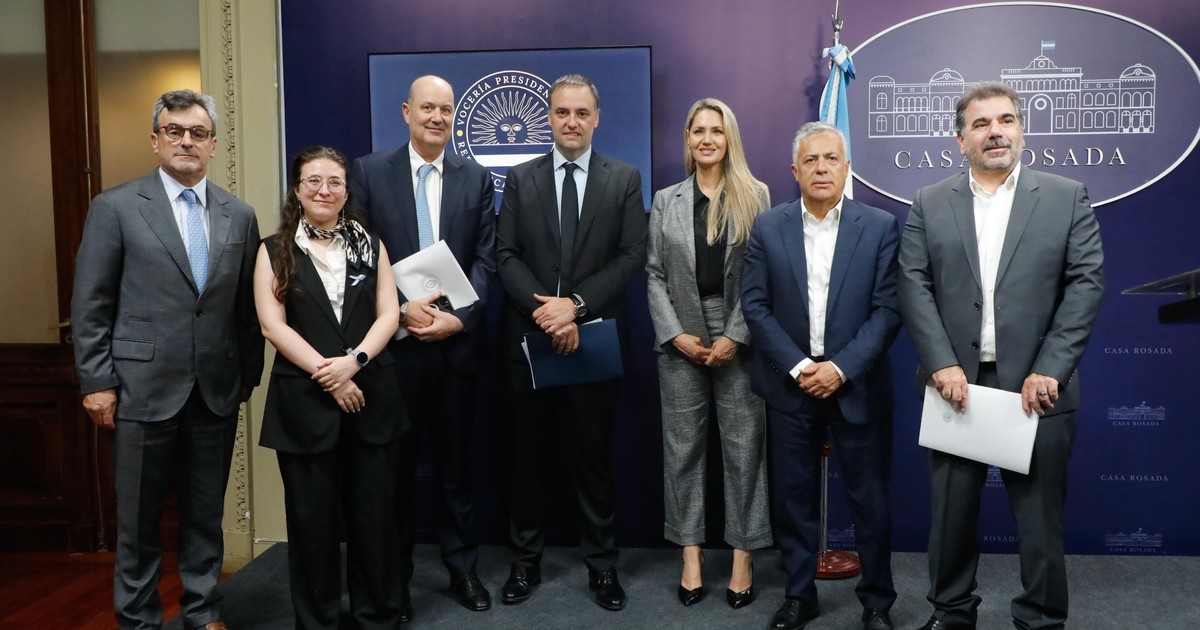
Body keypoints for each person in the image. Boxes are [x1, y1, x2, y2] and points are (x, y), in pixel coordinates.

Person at [898, 81, 1104, 630]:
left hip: (1038, 388)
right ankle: (951, 612)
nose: (996, 132)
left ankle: (1041, 619)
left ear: (1021, 130)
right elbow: (913, 284)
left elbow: (1085, 285)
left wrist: (1049, 368)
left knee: (1040, 522)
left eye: (1006, 120)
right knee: (950, 515)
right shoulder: (929, 201)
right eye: (982, 123)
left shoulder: (1065, 196)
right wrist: (941, 363)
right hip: (954, 386)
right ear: (960, 139)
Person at [71, 89, 263, 630]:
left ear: (213, 145)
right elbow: (91, 302)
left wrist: (247, 376)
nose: (186, 141)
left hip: (215, 391)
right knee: (138, 520)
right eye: (174, 131)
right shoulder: (115, 207)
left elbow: (247, 307)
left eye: (197, 133)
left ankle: (202, 610)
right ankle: (138, 619)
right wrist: (96, 381)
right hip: (139, 389)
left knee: (205, 514)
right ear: (155, 141)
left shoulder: (239, 214)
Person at [494, 73, 647, 611]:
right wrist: (547, 314)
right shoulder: (521, 178)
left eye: (582, 113)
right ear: (549, 117)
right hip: (529, 340)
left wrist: (575, 307)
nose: (572, 121)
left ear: (597, 118)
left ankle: (602, 568)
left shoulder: (623, 178)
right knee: (525, 461)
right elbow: (505, 254)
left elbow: (632, 255)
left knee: (594, 461)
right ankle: (524, 564)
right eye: (562, 112)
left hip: (594, 339)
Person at [741, 122, 900, 630]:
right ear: (795, 170)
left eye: (831, 158)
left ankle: (876, 602)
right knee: (794, 500)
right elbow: (755, 306)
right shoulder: (769, 226)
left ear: (847, 167)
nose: (822, 168)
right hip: (791, 386)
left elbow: (888, 310)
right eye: (811, 160)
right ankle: (799, 596)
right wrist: (799, 366)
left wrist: (840, 368)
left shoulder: (879, 226)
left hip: (858, 386)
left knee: (869, 502)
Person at [348, 74, 496, 620]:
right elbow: (358, 253)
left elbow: (487, 259)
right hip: (395, 352)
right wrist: (401, 311)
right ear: (407, 111)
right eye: (427, 107)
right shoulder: (370, 172)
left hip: (456, 351)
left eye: (446, 109)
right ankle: (397, 580)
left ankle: (463, 568)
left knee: (457, 469)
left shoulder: (476, 178)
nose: (437, 117)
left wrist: (459, 320)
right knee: (395, 472)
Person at [255, 146, 407, 629]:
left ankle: (377, 617)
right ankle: (317, 621)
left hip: (372, 398)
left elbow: (389, 314)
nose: (325, 190)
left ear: (346, 191)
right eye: (314, 181)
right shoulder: (273, 250)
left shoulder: (370, 244)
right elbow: (272, 325)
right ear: (297, 190)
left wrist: (354, 363)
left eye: (335, 182)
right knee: (311, 525)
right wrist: (331, 374)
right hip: (304, 405)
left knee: (376, 522)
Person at [646, 98, 772, 609]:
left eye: (716, 131)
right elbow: (654, 273)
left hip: (739, 331)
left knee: (744, 449)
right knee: (682, 451)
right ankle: (691, 555)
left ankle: (743, 555)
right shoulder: (666, 199)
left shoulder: (755, 195)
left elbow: (763, 273)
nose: (706, 139)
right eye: (698, 130)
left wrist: (735, 335)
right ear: (688, 139)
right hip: (680, 333)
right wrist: (675, 334)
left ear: (729, 138)